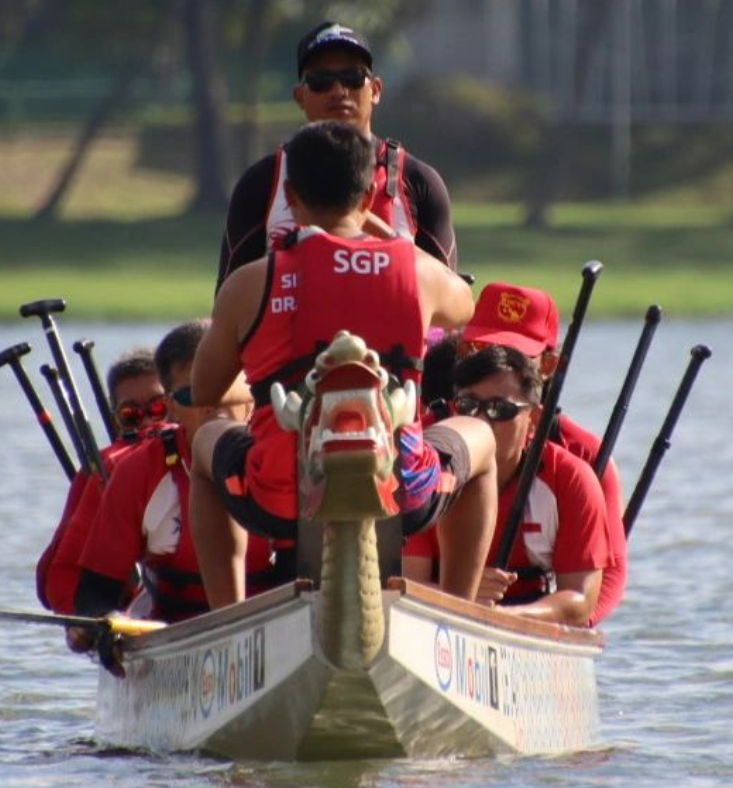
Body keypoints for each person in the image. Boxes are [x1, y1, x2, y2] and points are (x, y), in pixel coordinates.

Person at [190, 120, 497, 610]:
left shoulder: (249, 282)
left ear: (289, 195)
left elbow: (204, 388)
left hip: (278, 493)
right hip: (404, 487)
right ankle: (459, 611)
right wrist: (384, 236)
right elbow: (465, 305)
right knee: (478, 440)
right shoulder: (418, 273)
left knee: (206, 438)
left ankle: (227, 614)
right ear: (373, 190)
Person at [66, 320, 272, 653]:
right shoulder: (138, 472)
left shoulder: (284, 457)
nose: (212, 406)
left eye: (226, 391)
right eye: (194, 393)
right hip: (174, 630)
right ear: (173, 406)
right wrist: (101, 625)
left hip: (275, 619)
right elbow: (95, 592)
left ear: (251, 394)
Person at [217, 20, 457, 290]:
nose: (338, 91)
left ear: (375, 90)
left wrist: (392, 243)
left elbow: (448, 308)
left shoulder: (418, 180)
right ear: (299, 97)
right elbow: (227, 301)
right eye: (320, 81)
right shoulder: (262, 181)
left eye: (353, 78)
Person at [456, 282, 627, 626]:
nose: (494, 363)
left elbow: (606, 581)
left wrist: (547, 623)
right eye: (479, 348)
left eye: (515, 355)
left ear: (549, 364)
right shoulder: (432, 439)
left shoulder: (585, 459)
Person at [405, 346, 612, 627]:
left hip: (523, 618)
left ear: (534, 419)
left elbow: (580, 600)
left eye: (499, 409)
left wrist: (502, 617)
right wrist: (460, 595)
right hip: (437, 614)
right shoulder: (426, 474)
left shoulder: (572, 479)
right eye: (467, 406)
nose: (480, 421)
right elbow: (406, 581)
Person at [36, 347, 168, 614]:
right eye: (131, 415)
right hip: (151, 606)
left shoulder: (206, 445)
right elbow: (62, 576)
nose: (147, 424)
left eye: (158, 408)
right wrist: (85, 621)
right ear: (116, 421)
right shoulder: (110, 468)